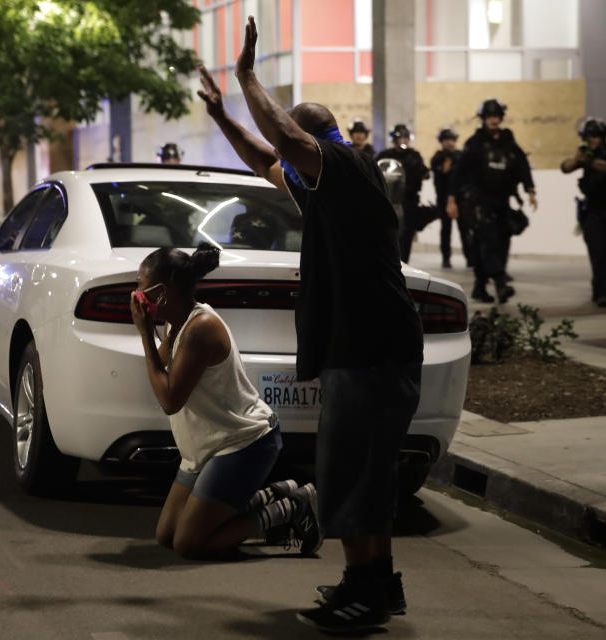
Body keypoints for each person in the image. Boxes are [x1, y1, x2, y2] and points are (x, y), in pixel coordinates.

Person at [197, 17, 423, 633]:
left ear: (318, 143)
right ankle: (372, 583)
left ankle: (367, 596)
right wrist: (222, 118)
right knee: (361, 474)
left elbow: (286, 140)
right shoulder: (324, 188)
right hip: (367, 352)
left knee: (351, 474)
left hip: (373, 353)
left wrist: (245, 77)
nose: (290, 166)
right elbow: (270, 158)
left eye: (303, 149)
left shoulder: (346, 167)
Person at [130, 244, 321, 560]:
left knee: (188, 543)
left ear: (161, 292)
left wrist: (144, 336)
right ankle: (275, 494)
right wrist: (152, 333)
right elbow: (160, 372)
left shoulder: (200, 328)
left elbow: (169, 400)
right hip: (207, 445)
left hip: (242, 443)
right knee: (167, 534)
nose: (136, 295)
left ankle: (291, 508)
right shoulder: (176, 324)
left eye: (141, 287)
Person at [446, 98, 536, 303]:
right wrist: (452, 200)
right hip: (479, 201)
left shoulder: (508, 142)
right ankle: (500, 281)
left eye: (496, 116)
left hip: (502, 200)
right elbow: (458, 173)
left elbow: (522, 164)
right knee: (486, 240)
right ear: (483, 119)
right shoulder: (474, 143)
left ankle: (480, 286)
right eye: (489, 116)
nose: (493, 120)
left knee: (501, 241)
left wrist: (530, 189)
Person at [561, 118, 606, 307]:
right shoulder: (586, 155)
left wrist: (588, 161)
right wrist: (577, 159)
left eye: (596, 136)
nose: (593, 140)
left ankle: (599, 286)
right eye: (589, 136)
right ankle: (604, 294)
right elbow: (565, 167)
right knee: (597, 252)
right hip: (593, 211)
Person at [376, 124, 431, 263]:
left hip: (409, 201)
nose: (403, 141)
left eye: (405, 138)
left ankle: (404, 262)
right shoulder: (385, 155)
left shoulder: (414, 155)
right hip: (389, 201)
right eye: (400, 138)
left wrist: (417, 168)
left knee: (406, 236)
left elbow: (425, 173)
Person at [431, 127, 474, 269]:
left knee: (465, 229)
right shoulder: (438, 157)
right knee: (446, 230)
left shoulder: (461, 156)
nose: (449, 143)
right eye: (446, 140)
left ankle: (470, 258)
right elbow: (441, 172)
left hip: (461, 198)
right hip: (443, 198)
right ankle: (446, 258)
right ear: (442, 141)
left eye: (452, 140)